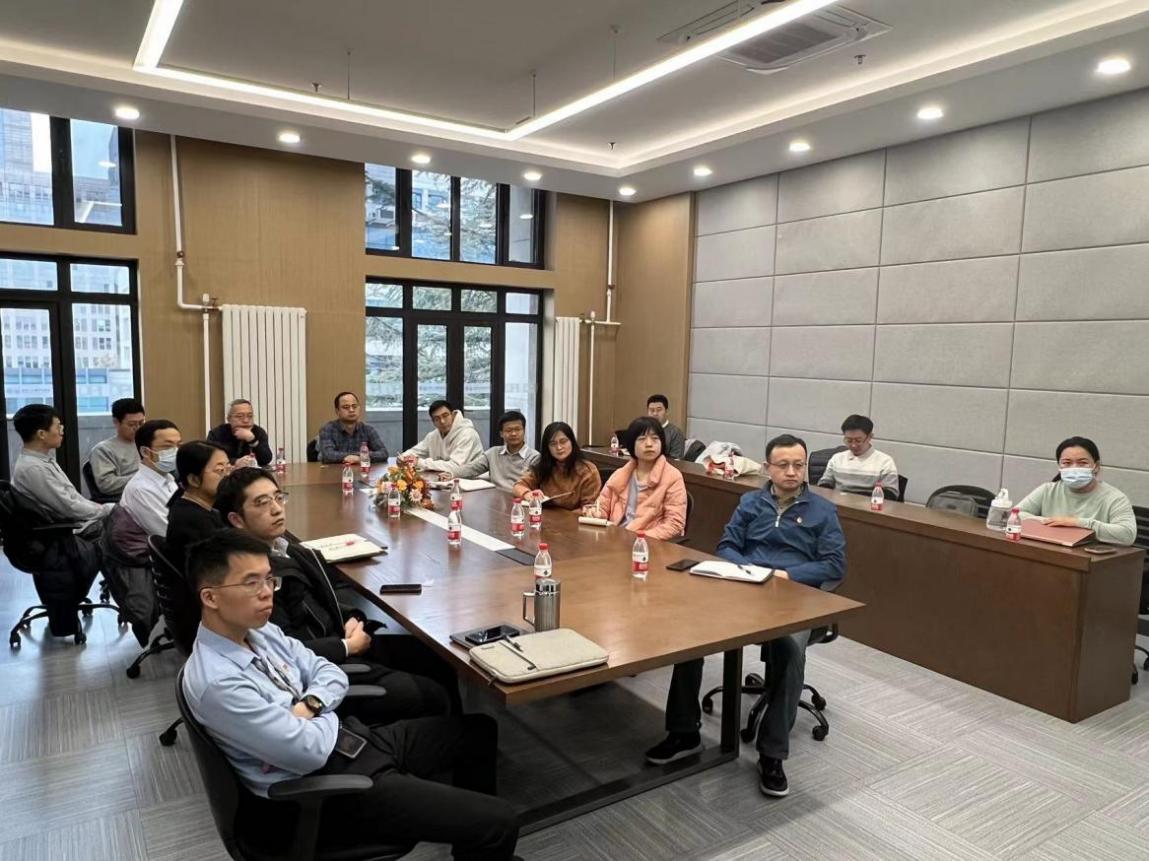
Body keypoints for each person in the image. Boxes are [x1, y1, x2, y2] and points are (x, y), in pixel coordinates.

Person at [182, 531, 520, 859]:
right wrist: (322, 708)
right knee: (499, 821)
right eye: (251, 583)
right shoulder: (218, 682)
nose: (267, 593)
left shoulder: (260, 631)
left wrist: (310, 705)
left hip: (351, 741)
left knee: (478, 731)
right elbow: (308, 751)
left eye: (270, 579)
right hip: (324, 788)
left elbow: (329, 671)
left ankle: (472, 849)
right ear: (210, 597)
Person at [645, 433, 846, 799]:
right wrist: (747, 570)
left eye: (798, 465)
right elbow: (727, 546)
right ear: (767, 468)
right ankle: (684, 731)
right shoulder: (750, 503)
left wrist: (787, 575)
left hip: (795, 599)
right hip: (744, 589)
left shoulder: (823, 511)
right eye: (783, 465)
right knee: (690, 634)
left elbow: (834, 565)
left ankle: (772, 753)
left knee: (790, 650)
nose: (791, 472)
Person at [215, 467, 457, 722]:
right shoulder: (253, 578)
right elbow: (279, 651)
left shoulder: (286, 549)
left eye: (278, 497)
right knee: (432, 694)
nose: (276, 509)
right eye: (262, 503)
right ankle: (428, 740)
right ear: (237, 519)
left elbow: (320, 600)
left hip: (341, 641)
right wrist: (346, 647)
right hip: (323, 669)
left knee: (437, 659)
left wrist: (353, 617)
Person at [12, 403, 112, 536]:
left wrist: (103, 508)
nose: (62, 431)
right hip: (65, 531)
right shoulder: (33, 468)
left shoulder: (43, 460)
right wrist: (108, 510)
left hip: (74, 522)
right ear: (41, 434)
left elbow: (73, 498)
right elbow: (69, 507)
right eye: (58, 427)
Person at [1017, 436, 1136, 546]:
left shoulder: (1115, 498)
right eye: (1067, 463)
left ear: (1096, 466)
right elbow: (1015, 515)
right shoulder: (1047, 490)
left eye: (1082, 463)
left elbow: (1127, 534)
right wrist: (1053, 522)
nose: (1074, 468)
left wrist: (1077, 523)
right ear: (1059, 466)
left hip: (1090, 557)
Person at [586, 416, 687, 540]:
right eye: (642, 439)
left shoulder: (673, 477)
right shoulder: (620, 474)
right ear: (631, 445)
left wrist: (638, 537)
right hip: (614, 539)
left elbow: (675, 525)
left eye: (655, 438)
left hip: (647, 543)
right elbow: (601, 507)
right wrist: (595, 513)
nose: (649, 444)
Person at [512, 421, 602, 511]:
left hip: (573, 518)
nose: (559, 447)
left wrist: (563, 516)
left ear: (572, 442)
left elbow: (589, 508)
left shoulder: (588, 471)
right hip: (544, 516)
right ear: (547, 448)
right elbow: (518, 486)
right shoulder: (543, 466)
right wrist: (528, 494)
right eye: (553, 444)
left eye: (563, 442)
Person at [167, 440, 229, 569]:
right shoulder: (192, 520)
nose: (228, 475)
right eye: (220, 470)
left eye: (228, 467)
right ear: (194, 480)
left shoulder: (199, 507)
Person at [444, 410, 539, 491]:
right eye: (509, 430)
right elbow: (471, 468)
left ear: (524, 431)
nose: (513, 434)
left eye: (517, 429)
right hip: (495, 498)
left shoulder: (534, 457)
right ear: (501, 434)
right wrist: (452, 473)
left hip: (520, 500)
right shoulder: (493, 453)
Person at [120, 419, 182, 538]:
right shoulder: (141, 489)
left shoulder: (168, 478)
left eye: (178, 445)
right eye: (167, 447)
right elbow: (170, 534)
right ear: (145, 452)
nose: (176, 452)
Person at [818, 414, 900, 500]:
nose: (853, 445)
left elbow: (891, 494)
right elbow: (824, 484)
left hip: (869, 506)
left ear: (870, 437)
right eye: (849, 440)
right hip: (837, 505)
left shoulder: (885, 462)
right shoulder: (837, 459)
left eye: (858, 440)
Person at [400, 400, 484, 474]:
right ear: (433, 422)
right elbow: (416, 451)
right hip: (443, 479)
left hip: (474, 481)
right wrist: (403, 458)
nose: (442, 421)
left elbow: (455, 467)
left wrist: (420, 462)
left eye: (445, 415)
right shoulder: (433, 436)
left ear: (453, 415)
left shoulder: (468, 434)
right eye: (437, 419)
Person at [88, 397, 146, 498]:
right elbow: (107, 484)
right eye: (131, 424)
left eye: (141, 423)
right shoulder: (104, 450)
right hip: (130, 498)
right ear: (116, 422)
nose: (138, 428)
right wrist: (145, 477)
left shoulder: (149, 443)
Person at [317, 391, 388, 464]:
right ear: (337, 411)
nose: (351, 410)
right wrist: (362, 456)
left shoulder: (368, 430)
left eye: (354, 406)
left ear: (359, 408)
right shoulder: (327, 429)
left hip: (361, 470)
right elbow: (328, 455)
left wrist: (358, 458)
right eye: (346, 407)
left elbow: (383, 453)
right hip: (335, 470)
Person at [208, 399, 273, 466]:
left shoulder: (259, 432)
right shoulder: (216, 433)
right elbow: (211, 459)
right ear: (229, 419)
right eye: (239, 416)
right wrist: (235, 462)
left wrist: (252, 440)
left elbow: (266, 460)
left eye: (250, 416)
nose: (246, 420)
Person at [646, 394, 686, 460]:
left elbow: (676, 460)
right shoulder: (642, 430)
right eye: (652, 410)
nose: (655, 414)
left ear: (666, 411)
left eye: (659, 410)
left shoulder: (675, 433)